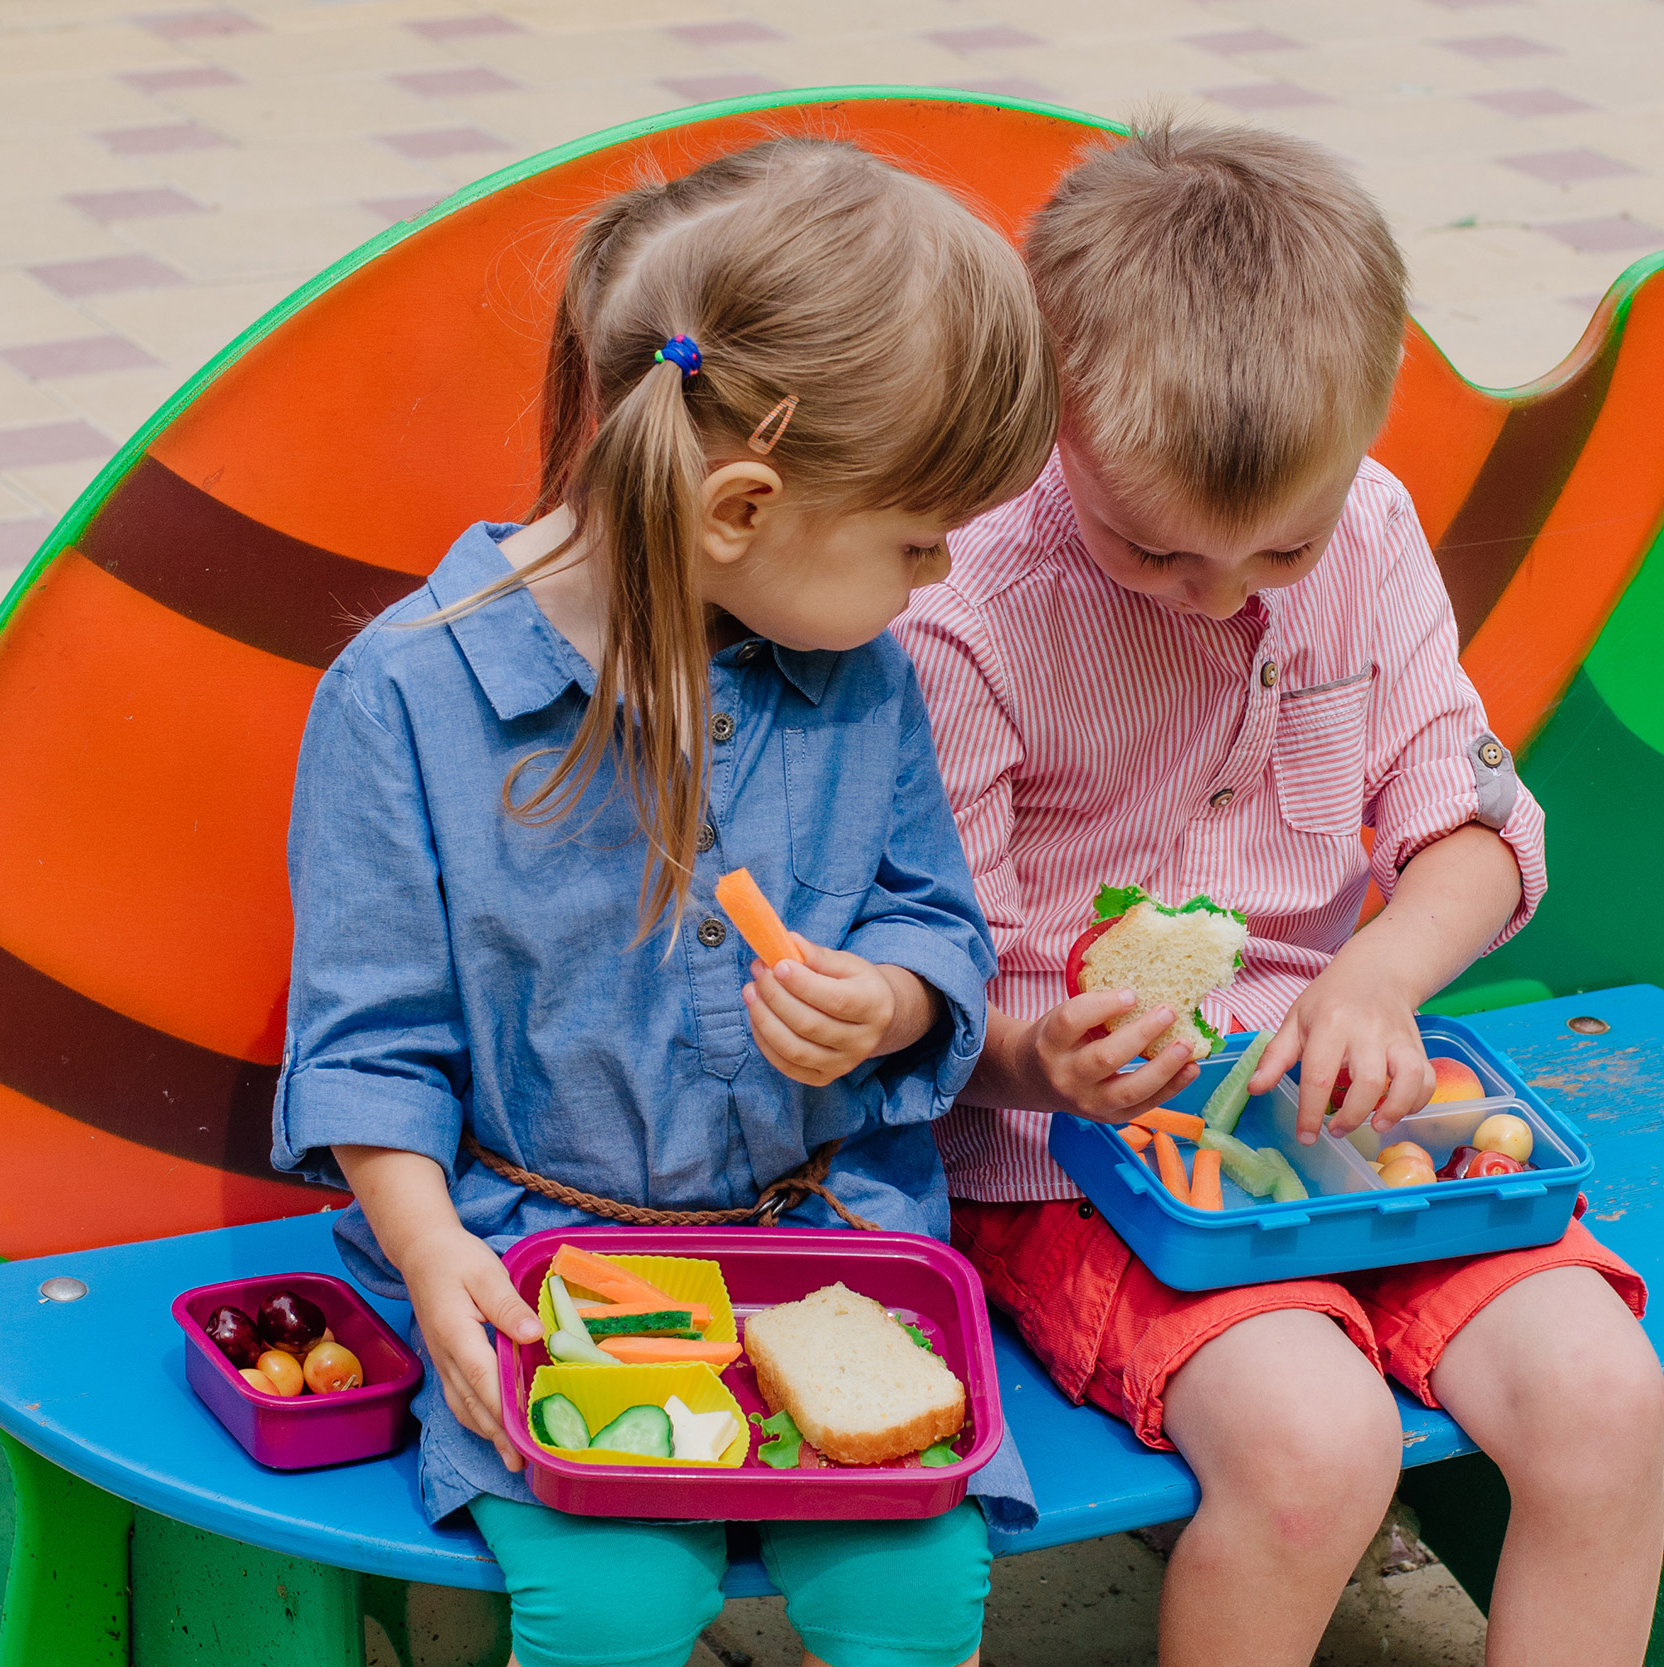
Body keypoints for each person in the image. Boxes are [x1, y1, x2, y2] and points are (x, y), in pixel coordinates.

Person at [273, 137, 1059, 1667]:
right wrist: (437, 1262)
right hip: (527, 1255)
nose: (941, 575)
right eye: (915, 539)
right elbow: (372, 1046)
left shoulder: (861, 673)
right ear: (741, 507)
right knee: (615, 1603)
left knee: (913, 1593)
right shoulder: (407, 705)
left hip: (827, 1241)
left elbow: (930, 920)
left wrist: (890, 1002)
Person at [894, 118, 1664, 1666]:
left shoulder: (1370, 533)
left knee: (1603, 1398)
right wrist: (1033, 1055)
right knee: (1318, 1453)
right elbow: (924, 968)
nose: (1226, 592)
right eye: (1160, 551)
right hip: (1080, 1159)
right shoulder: (968, 611)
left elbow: (1473, 829)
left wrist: (1379, 975)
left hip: (1360, 1104)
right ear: (1058, 414)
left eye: (1276, 549)